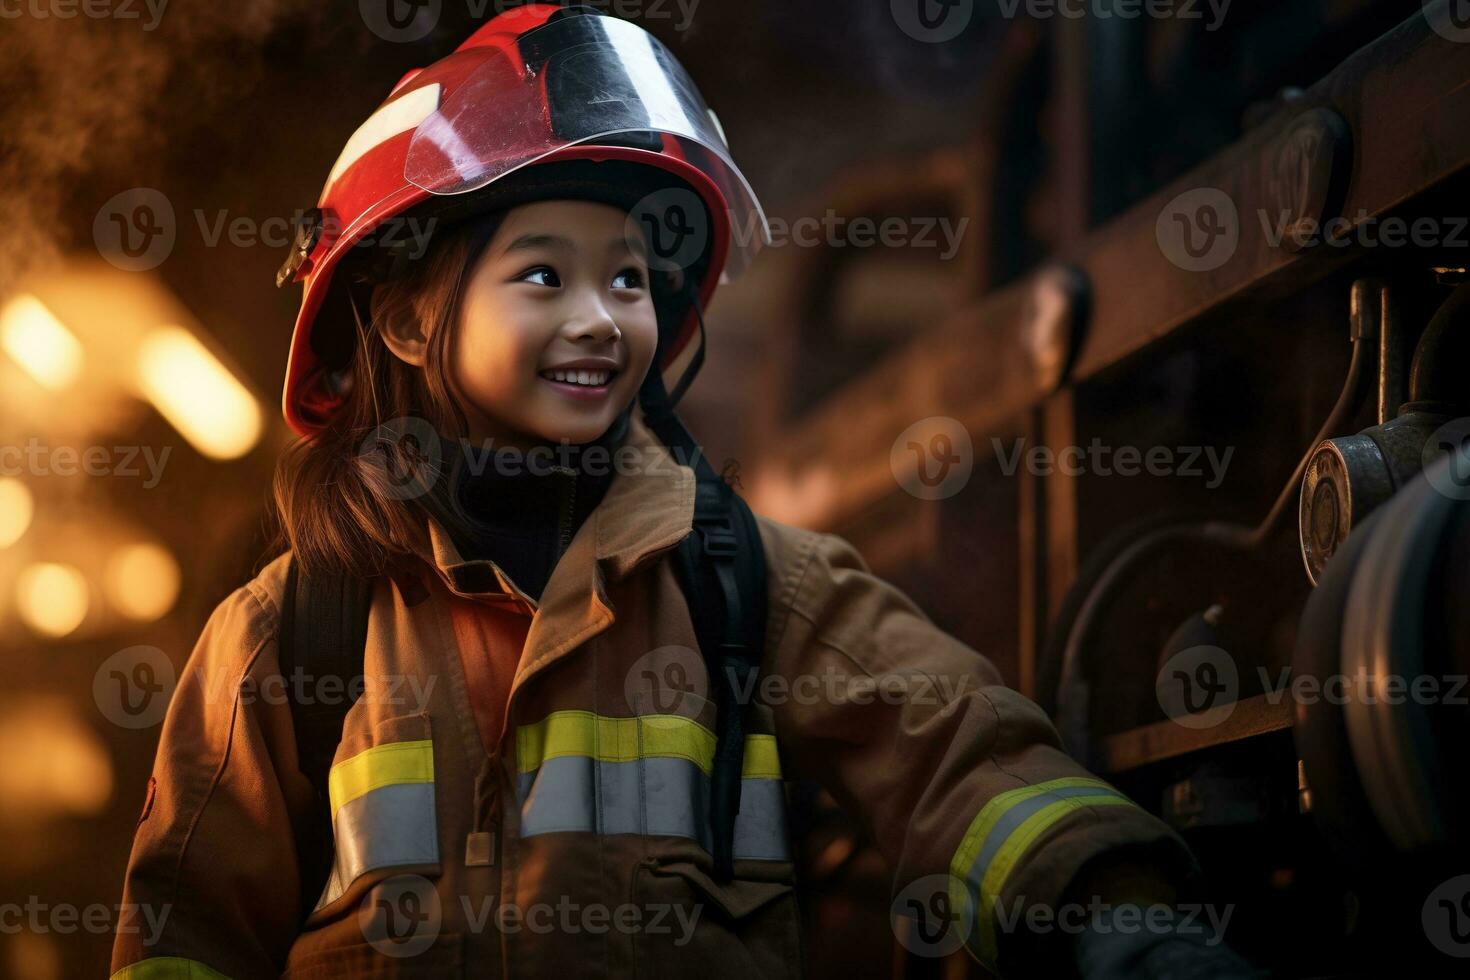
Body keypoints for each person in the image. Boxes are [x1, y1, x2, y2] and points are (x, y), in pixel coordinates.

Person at [110, 5, 1258, 978]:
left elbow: (961, 751)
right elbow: (187, 931)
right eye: (543, 274)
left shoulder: (749, 585)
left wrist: (1126, 917)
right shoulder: (289, 632)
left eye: (629, 278)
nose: (601, 317)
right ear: (409, 318)